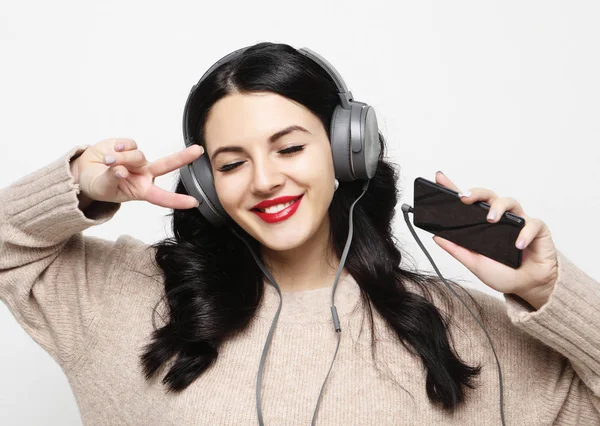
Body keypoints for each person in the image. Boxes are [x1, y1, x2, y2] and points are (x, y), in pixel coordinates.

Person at [0, 42, 599, 426]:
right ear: (205, 184)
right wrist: (77, 184)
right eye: (232, 164)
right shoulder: (124, 298)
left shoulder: (459, 328)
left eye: (288, 148)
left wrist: (551, 289)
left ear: (346, 153)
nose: (265, 180)